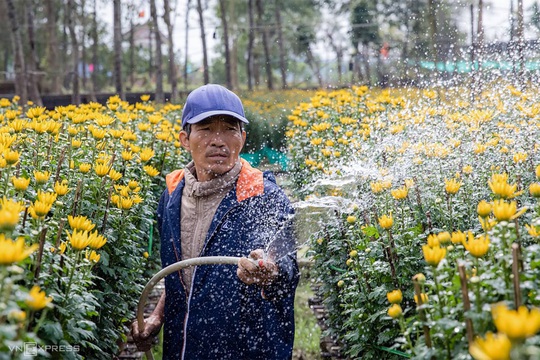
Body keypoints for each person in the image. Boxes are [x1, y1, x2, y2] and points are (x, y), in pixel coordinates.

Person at [131, 84, 299, 359]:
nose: (218, 140)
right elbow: (183, 274)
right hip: (183, 349)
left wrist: (270, 270)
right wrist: (157, 317)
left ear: (242, 138)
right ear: (185, 138)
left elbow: (288, 271)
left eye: (229, 129)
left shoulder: (262, 196)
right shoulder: (172, 195)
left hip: (247, 350)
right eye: (206, 129)